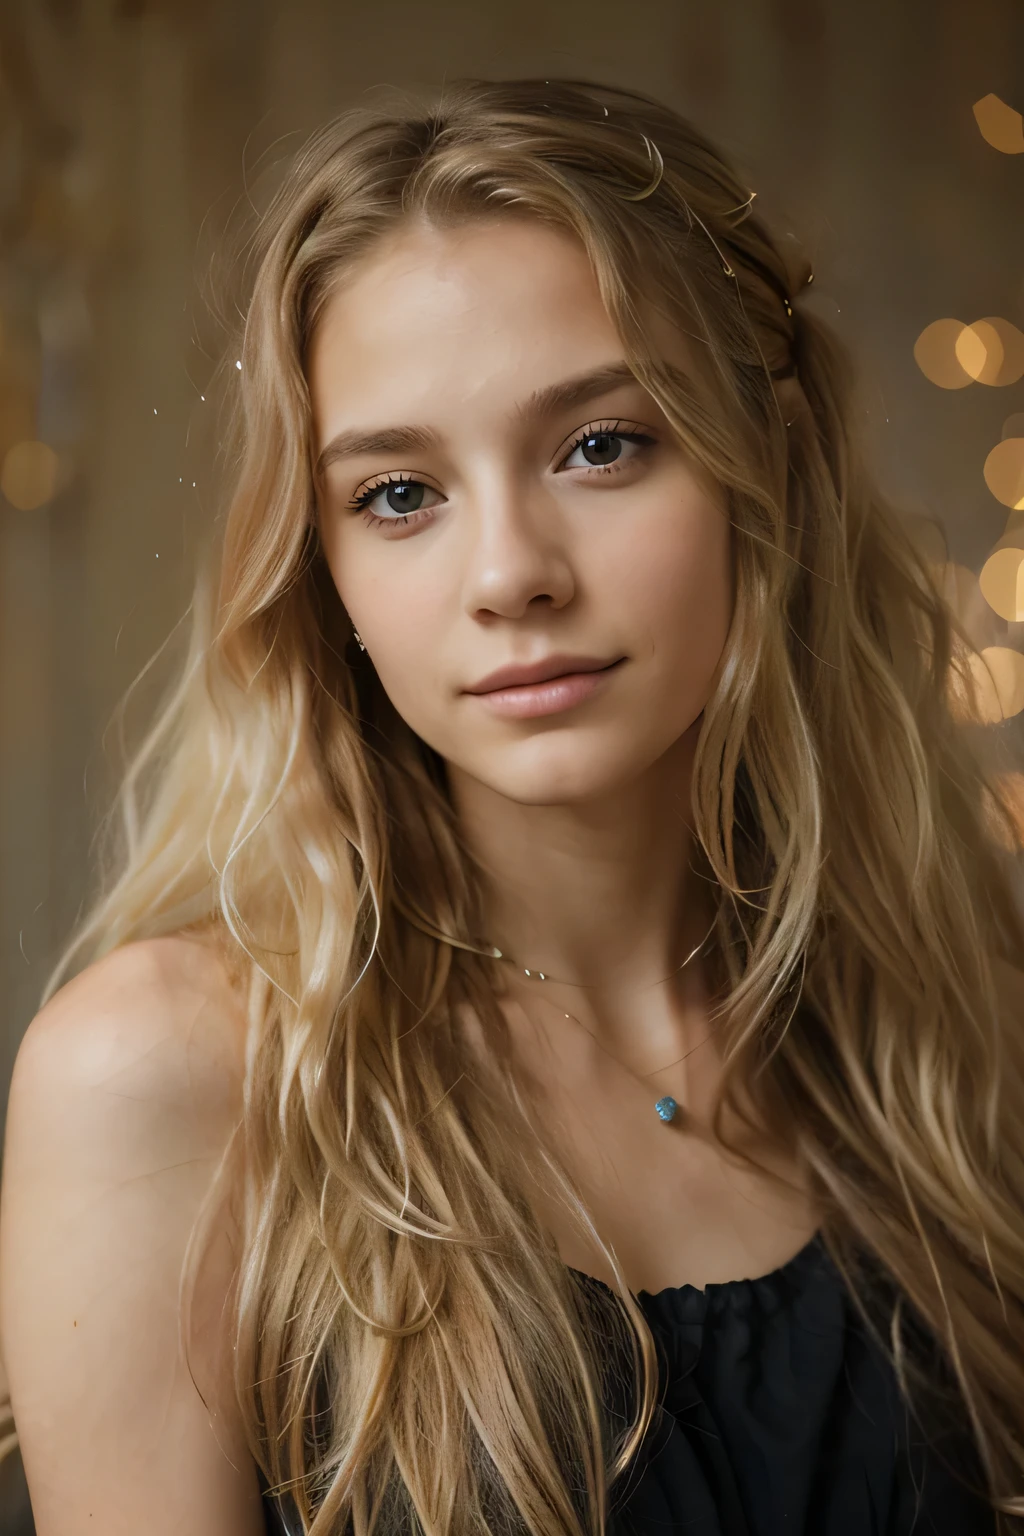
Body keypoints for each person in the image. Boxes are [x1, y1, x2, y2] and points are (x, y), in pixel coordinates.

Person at [1, 73, 1023, 1536]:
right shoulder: (166, 1077)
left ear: (770, 471)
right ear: (322, 569)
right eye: (399, 494)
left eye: (601, 445)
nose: (510, 574)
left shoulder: (945, 1041)